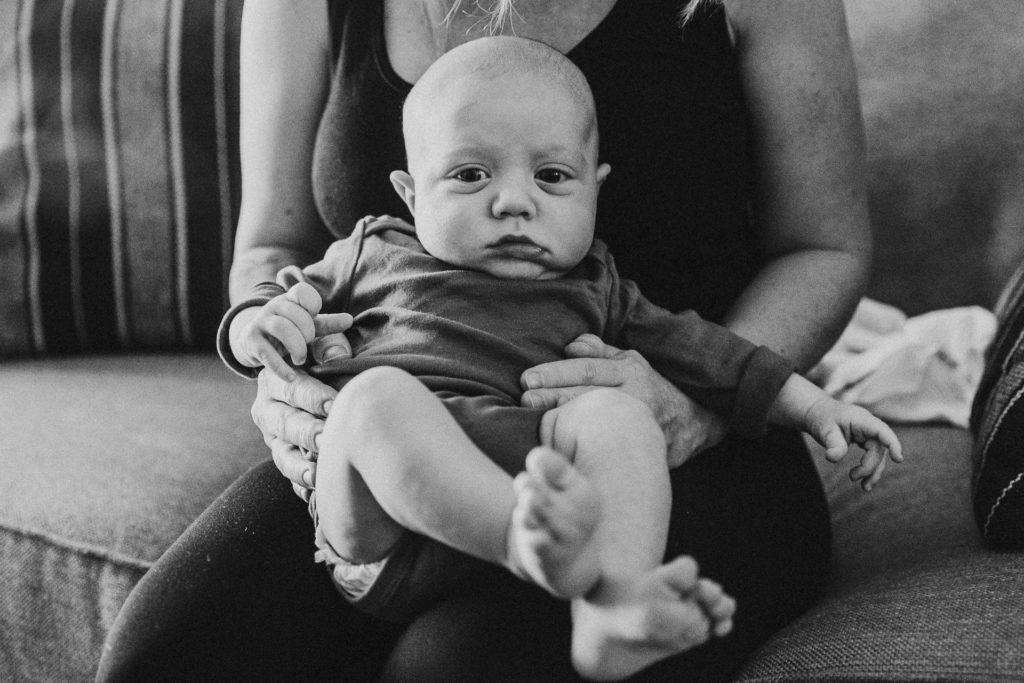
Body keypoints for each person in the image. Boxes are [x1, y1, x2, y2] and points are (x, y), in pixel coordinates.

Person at [97, 1, 873, 681]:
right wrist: (278, 368)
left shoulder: (607, 286)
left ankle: (613, 605)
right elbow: (273, 249)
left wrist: (698, 403)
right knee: (167, 654)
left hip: (662, 444)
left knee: (461, 664)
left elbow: (822, 246)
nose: (511, 204)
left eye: (552, 178)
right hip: (395, 436)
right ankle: (506, 529)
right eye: (470, 175)